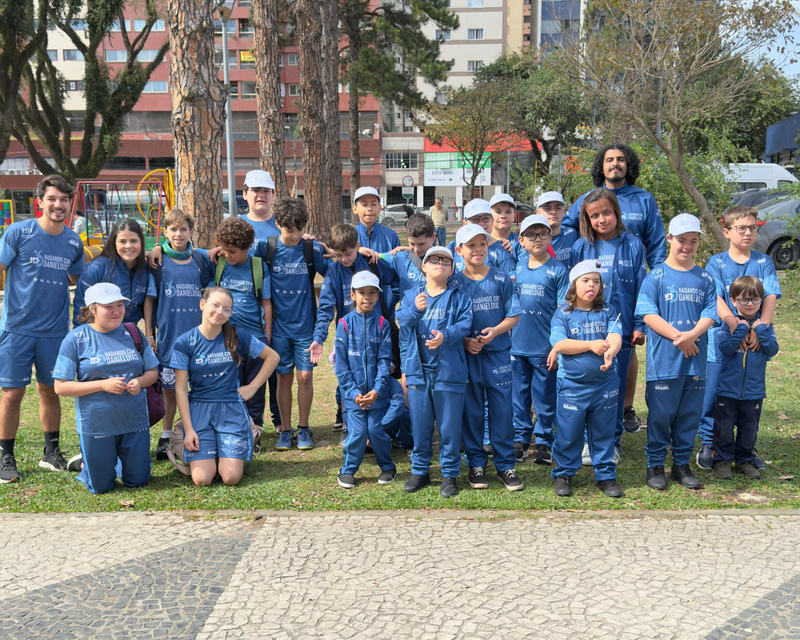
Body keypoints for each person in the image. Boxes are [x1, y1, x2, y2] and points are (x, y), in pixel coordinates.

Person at [566, 144, 667, 432]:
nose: (615, 164)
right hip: (591, 300)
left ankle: (623, 411)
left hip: (626, 295)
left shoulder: (643, 200)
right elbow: (568, 228)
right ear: (601, 165)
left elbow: (657, 246)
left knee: (623, 357)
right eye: (609, 159)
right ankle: (587, 426)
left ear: (629, 165)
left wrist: (654, 289)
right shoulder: (587, 201)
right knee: (589, 357)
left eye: (621, 159)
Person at [0, 174, 85, 483]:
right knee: (12, 394)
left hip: (54, 331)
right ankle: (5, 456)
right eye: (52, 199)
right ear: (39, 202)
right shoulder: (18, 233)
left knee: (50, 390)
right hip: (16, 329)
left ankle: (51, 454)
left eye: (64, 199)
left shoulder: (74, 242)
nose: (58, 205)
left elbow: (77, 279)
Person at [635, 214, 716, 491]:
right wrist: (678, 338)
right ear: (669, 239)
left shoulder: (704, 277)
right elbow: (647, 314)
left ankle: (681, 464)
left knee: (689, 416)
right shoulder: (655, 276)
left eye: (693, 242)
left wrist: (691, 336)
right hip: (664, 362)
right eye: (682, 241)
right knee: (661, 415)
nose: (688, 247)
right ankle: (655, 464)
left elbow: (710, 313)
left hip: (695, 361)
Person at [52, 283, 159, 493]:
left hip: (134, 421)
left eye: (119, 305)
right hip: (97, 425)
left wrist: (140, 382)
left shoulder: (132, 332)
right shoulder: (76, 339)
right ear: (92, 308)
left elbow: (152, 372)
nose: (116, 311)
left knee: (138, 481)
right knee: (101, 487)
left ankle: (112, 461)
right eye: (108, 306)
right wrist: (102, 385)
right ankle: (87, 464)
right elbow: (60, 386)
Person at [696, 206, 781, 470]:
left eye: (752, 227)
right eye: (741, 227)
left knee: (748, 395)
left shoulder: (763, 262)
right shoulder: (717, 263)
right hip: (724, 338)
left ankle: (745, 448)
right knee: (715, 394)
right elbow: (717, 298)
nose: (747, 232)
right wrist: (735, 325)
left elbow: (769, 296)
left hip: (755, 340)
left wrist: (758, 328)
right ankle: (710, 443)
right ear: (726, 231)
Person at [171, 287, 279, 487]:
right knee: (202, 479)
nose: (220, 312)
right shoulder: (184, 342)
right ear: (202, 305)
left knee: (230, 478)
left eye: (226, 309)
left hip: (231, 410)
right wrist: (189, 429)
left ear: (231, 313)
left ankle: (227, 450)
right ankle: (210, 449)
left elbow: (273, 357)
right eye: (215, 305)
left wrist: (253, 387)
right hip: (199, 410)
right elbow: (180, 389)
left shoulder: (238, 336)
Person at [571, 190, 647, 461]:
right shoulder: (581, 247)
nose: (601, 219)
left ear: (616, 213)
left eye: (606, 213)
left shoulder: (634, 245)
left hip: (622, 329)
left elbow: (642, 288)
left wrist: (639, 324)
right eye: (594, 215)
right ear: (586, 219)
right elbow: (570, 290)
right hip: (585, 330)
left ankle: (611, 443)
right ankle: (584, 442)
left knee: (613, 386)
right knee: (585, 385)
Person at [251, 198, 330, 451]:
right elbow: (237, 250)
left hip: (306, 327)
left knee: (305, 377)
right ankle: (286, 429)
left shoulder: (311, 249)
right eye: (288, 230)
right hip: (279, 329)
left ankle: (304, 427)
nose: (294, 235)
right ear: (278, 224)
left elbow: (335, 268)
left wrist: (329, 247)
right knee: (283, 378)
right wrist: (216, 250)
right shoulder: (266, 247)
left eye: (299, 229)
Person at [309, 223, 397, 446]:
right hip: (350, 335)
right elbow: (326, 307)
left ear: (358, 246)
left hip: (377, 333)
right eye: (338, 255)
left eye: (348, 254)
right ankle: (348, 424)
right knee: (347, 377)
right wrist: (319, 338)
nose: (344, 259)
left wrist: (395, 305)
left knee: (378, 374)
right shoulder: (334, 271)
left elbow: (396, 277)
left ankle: (379, 426)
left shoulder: (372, 263)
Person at [397, 246, 472, 498]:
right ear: (424, 266)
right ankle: (420, 471)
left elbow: (465, 324)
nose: (440, 263)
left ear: (452, 269)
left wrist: (446, 336)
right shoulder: (410, 295)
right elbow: (401, 320)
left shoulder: (460, 296)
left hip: (449, 373)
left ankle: (449, 474)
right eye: (434, 259)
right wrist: (416, 310)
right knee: (421, 426)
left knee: (449, 427)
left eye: (446, 260)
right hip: (419, 373)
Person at [452, 224, 523, 492]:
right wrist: (465, 340)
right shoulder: (455, 283)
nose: (478, 249)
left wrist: (495, 332)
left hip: (498, 355)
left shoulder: (501, 279)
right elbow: (450, 324)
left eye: (482, 244)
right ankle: (476, 464)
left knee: (503, 411)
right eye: (471, 245)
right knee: (471, 412)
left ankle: (506, 465)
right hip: (468, 358)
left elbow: (514, 315)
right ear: (459, 251)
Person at [143, 208, 215, 461]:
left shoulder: (199, 259)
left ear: (191, 232)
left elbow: (209, 290)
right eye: (173, 229)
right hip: (168, 337)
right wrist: (149, 335)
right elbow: (150, 301)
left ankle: (195, 431)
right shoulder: (157, 262)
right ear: (165, 232)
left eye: (183, 229)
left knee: (198, 386)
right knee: (170, 390)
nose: (178, 234)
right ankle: (165, 436)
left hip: (197, 338)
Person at [548, 260, 624, 498]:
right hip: (572, 385)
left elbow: (616, 336)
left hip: (605, 384)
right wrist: (591, 345)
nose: (591, 285)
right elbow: (560, 344)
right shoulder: (563, 313)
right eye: (585, 280)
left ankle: (605, 474)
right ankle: (564, 473)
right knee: (568, 432)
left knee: (603, 431)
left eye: (596, 281)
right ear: (573, 285)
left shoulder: (609, 311)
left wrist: (611, 351)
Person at [511, 214, 568, 465]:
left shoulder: (558, 270)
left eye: (542, 234)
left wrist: (556, 345)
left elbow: (564, 310)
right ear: (521, 240)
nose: (537, 239)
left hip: (544, 346)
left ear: (550, 237)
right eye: (531, 235)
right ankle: (521, 438)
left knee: (544, 396)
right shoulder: (519, 266)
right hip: (517, 345)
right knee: (519, 394)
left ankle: (544, 440)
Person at [334, 271, 397, 488]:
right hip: (354, 398)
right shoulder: (343, 324)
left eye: (372, 293)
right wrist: (353, 393)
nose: (367, 298)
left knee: (377, 431)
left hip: (377, 397)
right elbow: (341, 366)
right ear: (352, 295)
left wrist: (378, 391)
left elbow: (384, 361)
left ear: (378, 296)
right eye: (361, 293)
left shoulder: (382, 324)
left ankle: (388, 467)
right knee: (358, 432)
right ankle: (348, 470)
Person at [712, 276, 778, 480]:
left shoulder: (765, 326)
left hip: (753, 391)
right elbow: (725, 348)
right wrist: (740, 329)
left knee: (749, 428)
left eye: (755, 299)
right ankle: (722, 460)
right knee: (723, 428)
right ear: (732, 300)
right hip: (727, 389)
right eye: (744, 300)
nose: (750, 304)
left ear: (761, 301)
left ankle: (745, 460)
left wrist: (760, 331)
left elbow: (772, 349)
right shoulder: (726, 324)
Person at [213, 217, 272, 442]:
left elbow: (266, 303)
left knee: (255, 391)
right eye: (224, 249)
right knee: (231, 387)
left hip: (255, 337)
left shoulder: (258, 267)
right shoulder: (219, 263)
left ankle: (254, 431)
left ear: (247, 247)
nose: (228, 254)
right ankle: (234, 432)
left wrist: (266, 337)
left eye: (232, 251)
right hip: (227, 339)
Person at [73, 218, 150, 326]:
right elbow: (81, 307)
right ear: (114, 243)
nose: (128, 246)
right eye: (122, 241)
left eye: (134, 241)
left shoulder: (146, 269)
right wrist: (84, 339)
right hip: (100, 336)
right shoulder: (96, 269)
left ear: (141, 242)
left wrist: (158, 248)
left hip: (127, 335)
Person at [448, 199, 515, 277]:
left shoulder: (502, 249)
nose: (480, 223)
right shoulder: (453, 247)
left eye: (486, 218)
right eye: (475, 219)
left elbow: (508, 283)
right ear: (464, 223)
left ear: (492, 221)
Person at [352, 186, 399, 252]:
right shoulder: (349, 237)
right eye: (364, 205)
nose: (369, 209)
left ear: (379, 208)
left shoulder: (391, 236)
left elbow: (398, 260)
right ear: (355, 209)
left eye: (373, 204)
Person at [536, 191, 577, 268]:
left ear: (564, 212)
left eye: (557, 208)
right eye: (547, 209)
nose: (553, 212)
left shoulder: (572, 233)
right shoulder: (530, 241)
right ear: (537, 212)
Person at [240, 169, 280, 239]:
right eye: (255, 191)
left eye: (266, 191)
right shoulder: (235, 226)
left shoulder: (284, 226)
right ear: (245, 194)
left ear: (273, 196)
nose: (261, 195)